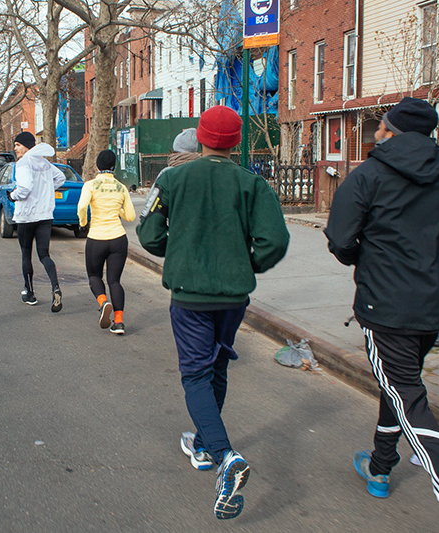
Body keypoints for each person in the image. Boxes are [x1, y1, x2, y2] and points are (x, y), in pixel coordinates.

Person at [324, 97, 439, 533]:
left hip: (385, 306)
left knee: (406, 394)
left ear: (392, 131)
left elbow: (341, 237)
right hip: (431, 305)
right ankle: (380, 467)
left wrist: (366, 262)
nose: (377, 133)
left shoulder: (367, 175)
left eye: (381, 126)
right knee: (401, 387)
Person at [137, 105, 289, 520]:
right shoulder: (253, 183)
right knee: (218, 367)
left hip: (190, 295)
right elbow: (274, 241)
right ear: (237, 142)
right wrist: (246, 264)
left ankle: (224, 456)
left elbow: (148, 233)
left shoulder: (170, 179)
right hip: (233, 296)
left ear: (201, 138)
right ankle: (204, 444)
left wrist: (181, 252)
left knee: (195, 374)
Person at [76, 149, 136, 334]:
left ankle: (103, 302)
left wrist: (83, 223)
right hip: (118, 239)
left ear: (97, 166)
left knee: (94, 276)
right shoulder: (121, 187)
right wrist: (116, 210)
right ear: (114, 166)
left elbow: (82, 206)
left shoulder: (90, 185)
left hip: (97, 238)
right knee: (115, 281)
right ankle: (119, 321)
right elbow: (131, 216)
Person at [9, 132, 65, 312]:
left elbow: (24, 189)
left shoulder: (23, 163)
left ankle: (29, 292)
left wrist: (12, 196)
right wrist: (46, 191)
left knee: (26, 253)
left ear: (26, 145)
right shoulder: (45, 163)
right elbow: (61, 178)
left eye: (18, 145)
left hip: (27, 216)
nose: (15, 148)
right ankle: (55, 286)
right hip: (45, 215)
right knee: (44, 255)